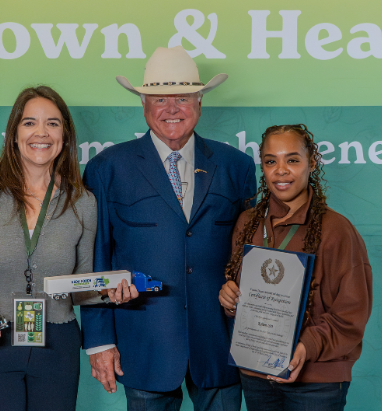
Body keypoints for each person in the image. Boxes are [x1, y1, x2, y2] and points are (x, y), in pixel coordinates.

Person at [81, 46, 256, 411]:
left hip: (221, 343)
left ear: (200, 103)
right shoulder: (107, 168)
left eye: (183, 98)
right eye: (160, 99)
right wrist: (99, 341)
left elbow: (250, 254)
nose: (171, 109)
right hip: (143, 343)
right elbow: (95, 259)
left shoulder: (236, 166)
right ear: (143, 104)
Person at [0, 86, 134, 411]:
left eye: (53, 124)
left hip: (56, 347)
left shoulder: (82, 202)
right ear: (14, 133)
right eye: (30, 123)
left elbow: (80, 286)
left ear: (66, 136)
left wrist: (108, 291)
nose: (41, 133)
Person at [219, 124, 373, 411]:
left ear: (311, 163)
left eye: (292, 159)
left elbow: (352, 313)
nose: (280, 170)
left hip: (316, 381)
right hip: (256, 375)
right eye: (270, 161)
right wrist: (229, 299)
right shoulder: (248, 223)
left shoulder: (336, 230)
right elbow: (243, 296)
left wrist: (306, 347)